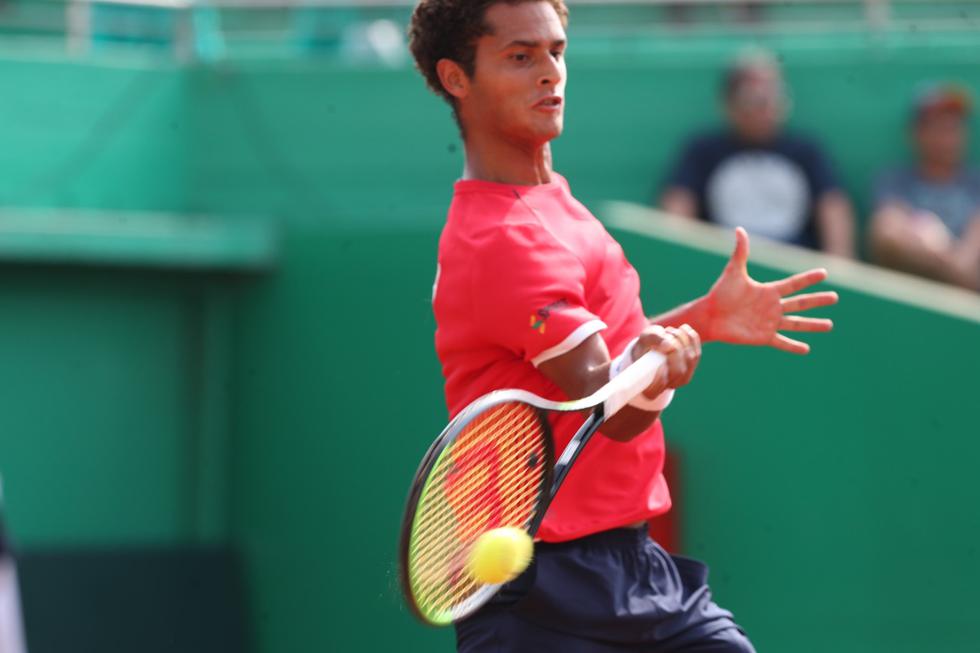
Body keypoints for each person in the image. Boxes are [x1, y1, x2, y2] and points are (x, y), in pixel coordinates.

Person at [408, 2, 838, 651]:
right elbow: (605, 405)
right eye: (520, 57)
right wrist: (657, 378)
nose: (549, 73)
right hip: (541, 594)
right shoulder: (501, 238)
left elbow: (606, 360)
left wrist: (701, 320)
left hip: (632, 565)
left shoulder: (550, 202)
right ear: (456, 77)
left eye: (556, 52)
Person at [660, 50, 856, 257]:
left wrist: (839, 261)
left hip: (793, 262)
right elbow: (677, 207)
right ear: (728, 102)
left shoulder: (805, 149)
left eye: (773, 95)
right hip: (722, 264)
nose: (764, 106)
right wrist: (679, 256)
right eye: (752, 97)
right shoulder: (703, 150)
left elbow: (833, 206)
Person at [868, 83, 980, 291]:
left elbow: (971, 256)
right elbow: (887, 233)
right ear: (916, 133)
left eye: (954, 127)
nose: (949, 137)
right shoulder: (895, 180)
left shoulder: (976, 183)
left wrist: (936, 250)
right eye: (939, 127)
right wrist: (948, 257)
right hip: (909, 294)